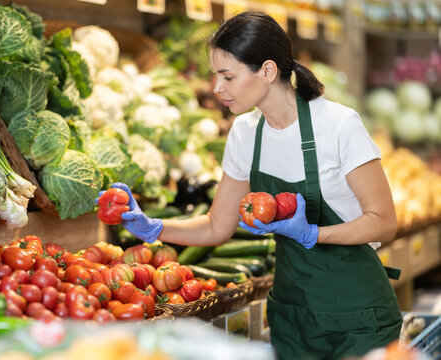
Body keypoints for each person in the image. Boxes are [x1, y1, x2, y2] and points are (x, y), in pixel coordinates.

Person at [98, 10, 402, 360]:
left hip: (358, 318)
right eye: (216, 76)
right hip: (292, 316)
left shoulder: (337, 125)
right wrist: (154, 226)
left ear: (268, 71)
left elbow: (383, 221)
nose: (217, 88)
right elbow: (216, 225)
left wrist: (313, 234)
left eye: (227, 76)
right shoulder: (246, 134)